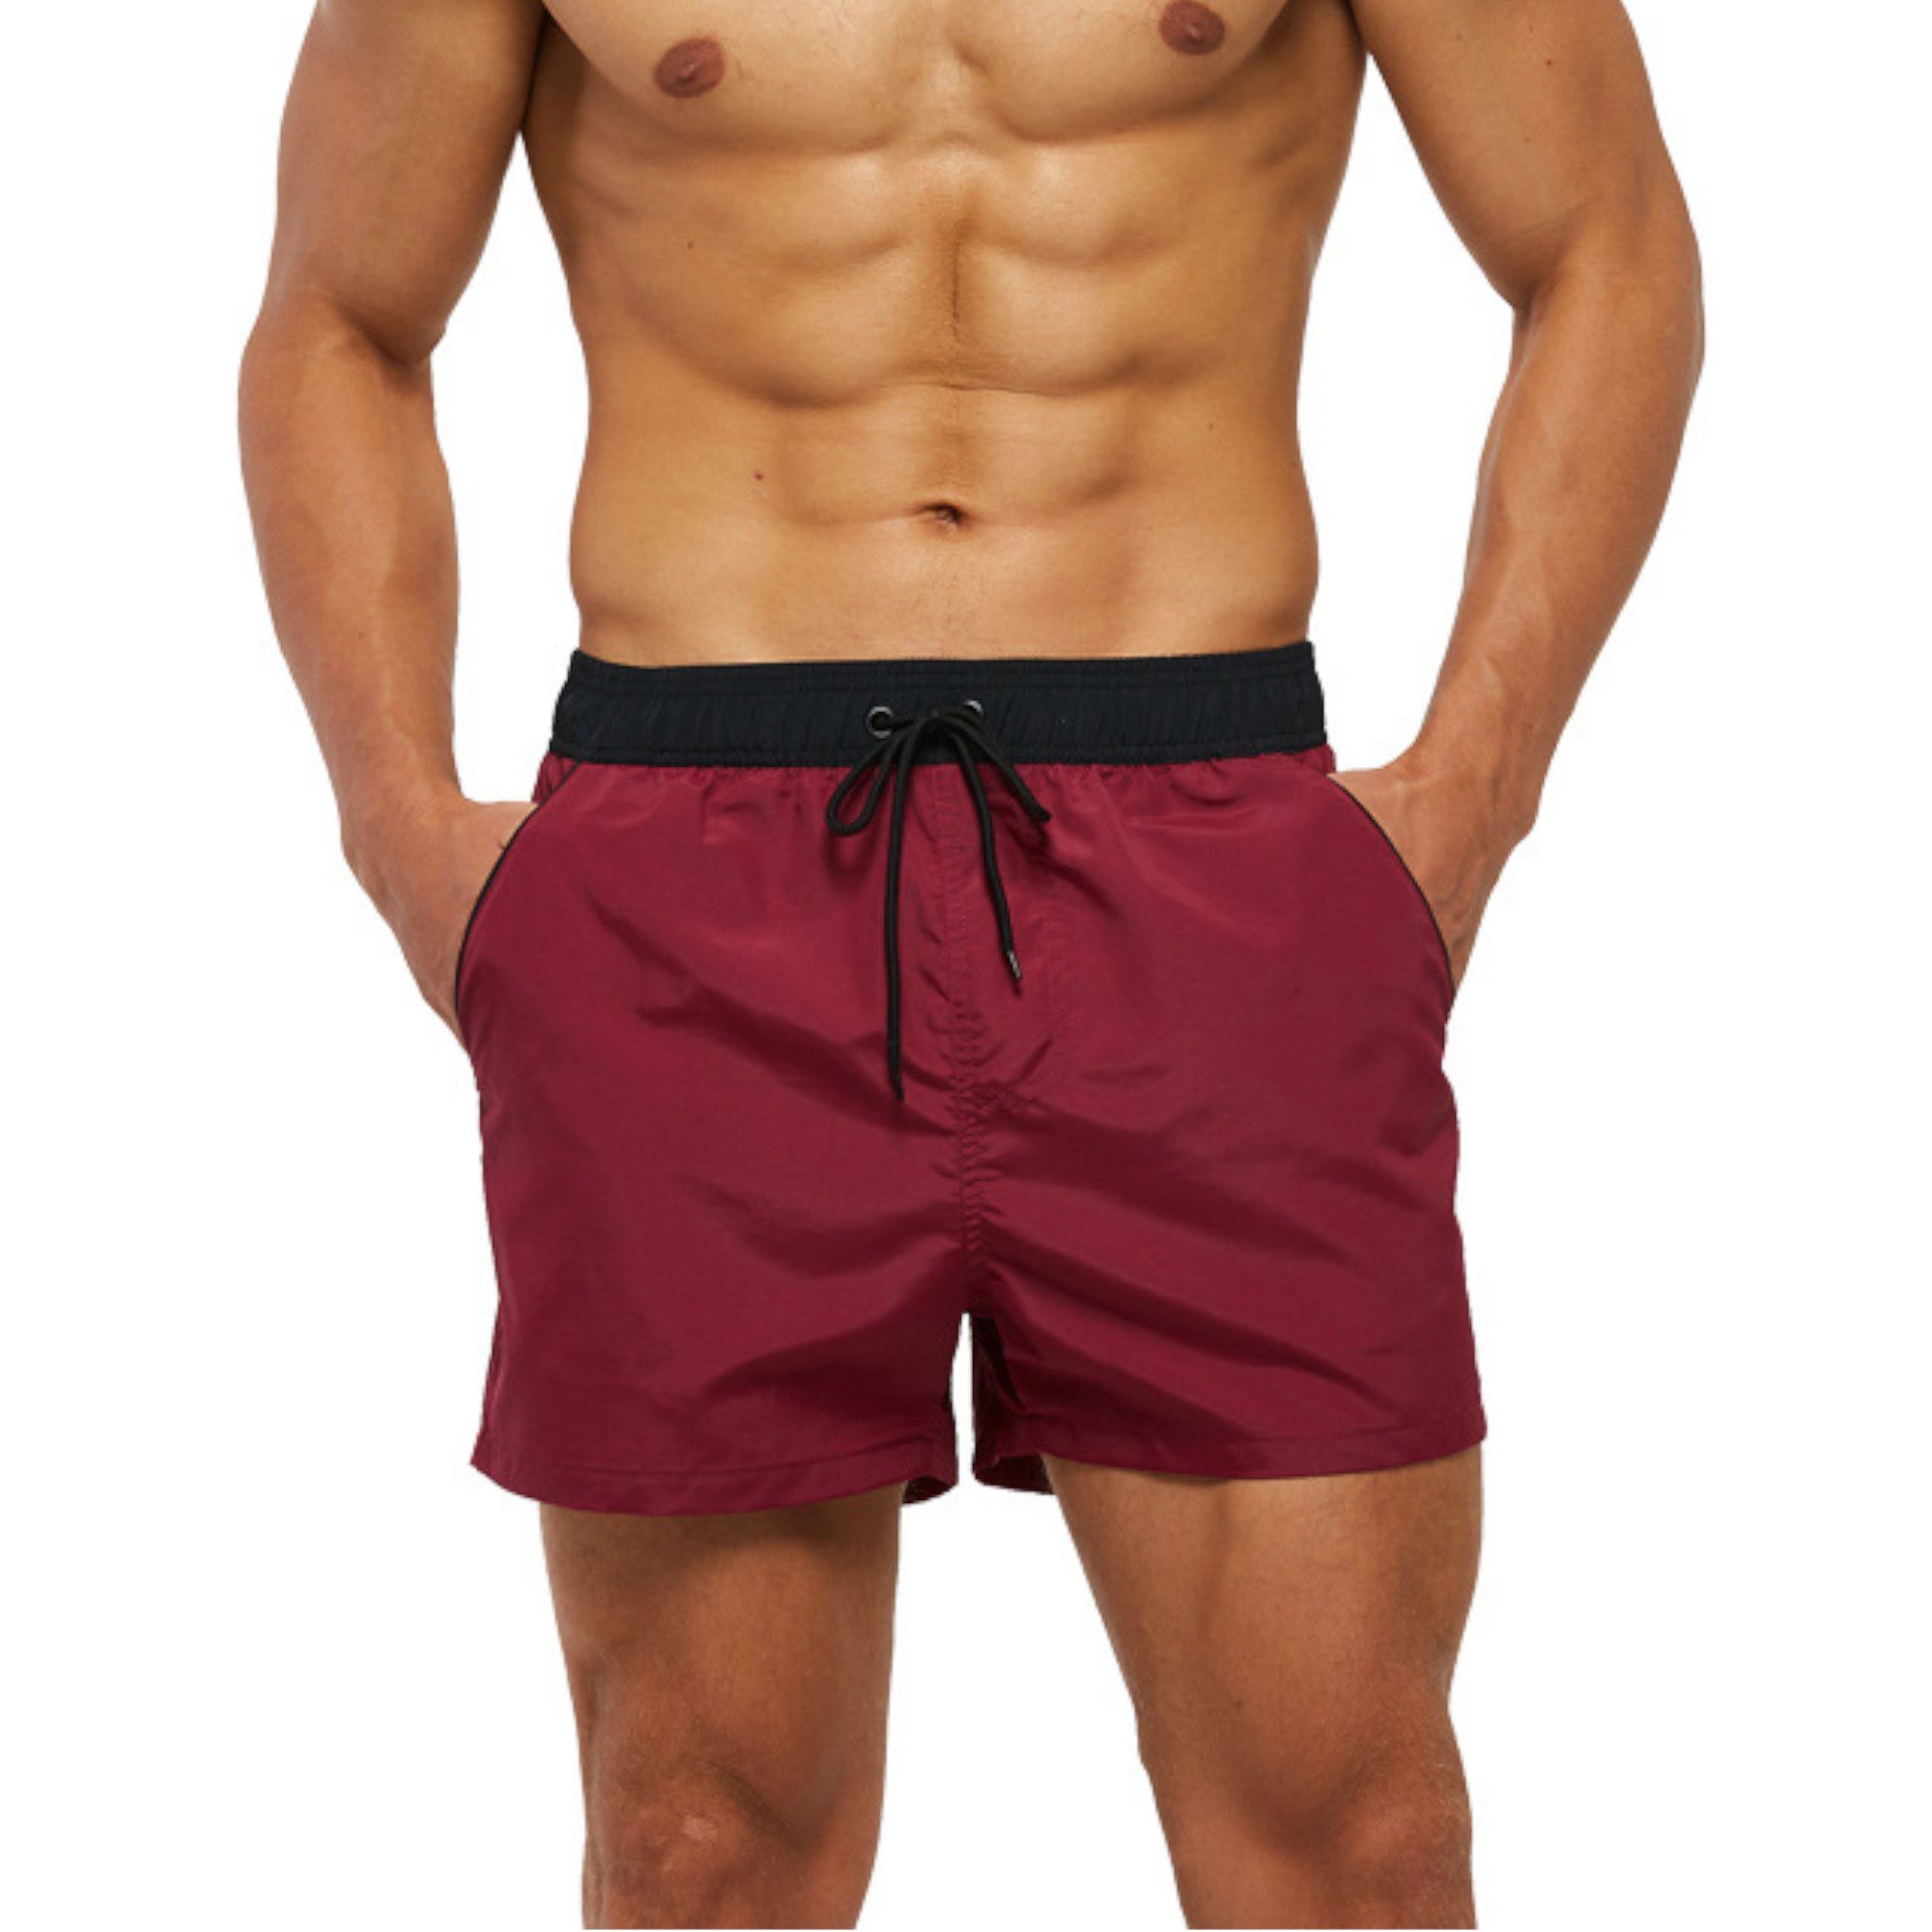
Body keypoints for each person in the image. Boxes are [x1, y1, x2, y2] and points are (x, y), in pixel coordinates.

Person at [241, 0, 1700, 1923]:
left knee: (1356, 1836)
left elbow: (1604, 239)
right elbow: (343, 314)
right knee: (699, 1848)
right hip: (696, 859)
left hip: (1206, 850)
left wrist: (1473, 791)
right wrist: (401, 822)